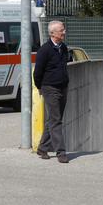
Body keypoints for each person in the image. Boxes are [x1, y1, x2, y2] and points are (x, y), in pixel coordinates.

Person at [33, 20, 69, 163]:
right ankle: (61, 152)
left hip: (63, 87)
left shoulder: (63, 48)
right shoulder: (44, 50)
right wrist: (40, 87)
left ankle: (42, 148)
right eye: (62, 30)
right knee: (56, 120)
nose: (64, 32)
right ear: (53, 33)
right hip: (49, 88)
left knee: (54, 119)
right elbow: (38, 72)